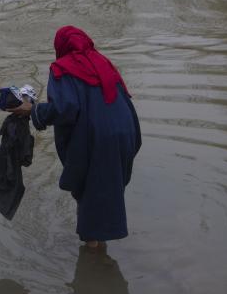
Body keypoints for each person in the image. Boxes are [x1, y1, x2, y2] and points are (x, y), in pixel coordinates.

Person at [7, 25, 141, 247]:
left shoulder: (63, 68)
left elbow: (65, 108)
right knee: (106, 188)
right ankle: (101, 244)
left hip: (97, 138)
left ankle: (92, 257)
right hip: (126, 131)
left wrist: (33, 110)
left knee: (90, 190)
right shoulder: (102, 62)